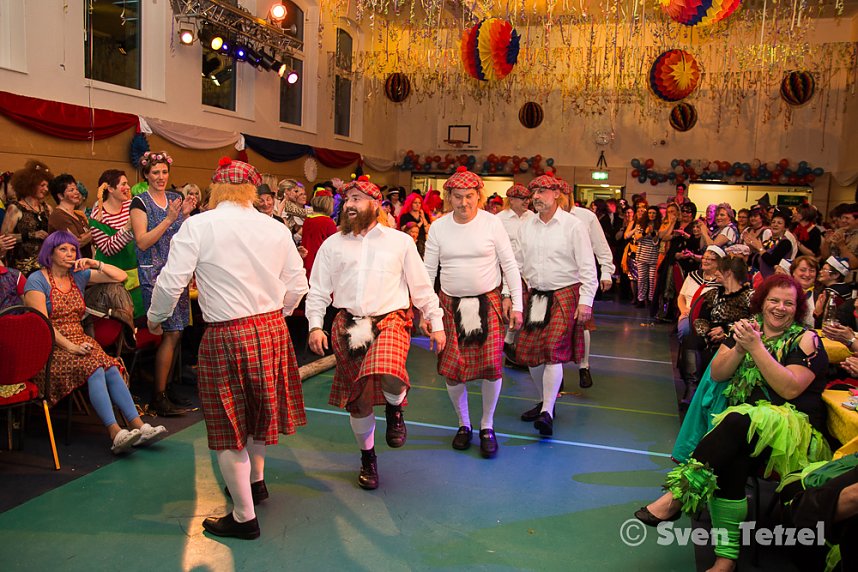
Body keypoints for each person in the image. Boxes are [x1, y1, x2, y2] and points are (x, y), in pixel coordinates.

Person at [147, 158, 307, 540]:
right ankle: (256, 482)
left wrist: (155, 318)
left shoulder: (199, 225)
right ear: (253, 191)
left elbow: (172, 283)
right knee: (256, 413)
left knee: (229, 426)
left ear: (216, 188)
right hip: (271, 330)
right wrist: (277, 315)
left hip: (228, 333)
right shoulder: (275, 228)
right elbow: (298, 285)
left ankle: (243, 516)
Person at [636, 274, 830, 572]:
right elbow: (717, 374)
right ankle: (726, 558)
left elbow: (789, 389)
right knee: (729, 453)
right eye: (774, 301)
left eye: (788, 303)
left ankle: (678, 495)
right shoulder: (745, 330)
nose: (780, 308)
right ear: (761, 303)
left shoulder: (806, 339)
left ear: (798, 308)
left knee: (738, 419)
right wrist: (740, 347)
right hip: (742, 434)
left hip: (792, 437)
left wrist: (756, 348)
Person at [306, 175, 445, 490]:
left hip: (391, 319)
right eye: (348, 200)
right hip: (350, 325)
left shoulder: (400, 241)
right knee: (359, 401)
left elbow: (421, 287)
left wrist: (435, 323)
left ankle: (396, 406)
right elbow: (317, 291)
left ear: (375, 205)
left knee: (388, 368)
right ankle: (368, 457)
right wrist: (315, 324)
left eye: (357, 199)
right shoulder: (332, 244)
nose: (350, 205)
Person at [24, 231, 166, 453]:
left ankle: (138, 426)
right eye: (63, 249)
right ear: (49, 253)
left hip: (80, 340)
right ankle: (114, 432)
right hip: (50, 347)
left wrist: (95, 262)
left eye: (73, 249)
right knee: (96, 367)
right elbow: (43, 325)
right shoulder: (37, 280)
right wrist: (71, 347)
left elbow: (120, 277)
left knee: (108, 365)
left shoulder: (78, 276)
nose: (70, 254)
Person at [423, 167, 522, 458]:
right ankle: (463, 424)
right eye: (457, 197)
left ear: (478, 196)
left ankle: (487, 425)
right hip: (449, 305)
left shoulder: (492, 224)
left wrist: (516, 303)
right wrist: (428, 312)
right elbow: (428, 272)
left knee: (492, 367)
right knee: (453, 371)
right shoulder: (439, 227)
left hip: (487, 303)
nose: (464, 203)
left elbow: (510, 265)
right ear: (448, 197)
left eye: (469, 197)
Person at [514, 174, 597, 436]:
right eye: (534, 192)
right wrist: (511, 295)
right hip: (536, 296)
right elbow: (515, 263)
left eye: (542, 192)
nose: (536, 196)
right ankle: (544, 402)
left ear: (557, 194)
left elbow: (587, 266)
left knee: (552, 350)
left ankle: (548, 411)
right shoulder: (526, 225)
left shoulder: (573, 225)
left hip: (564, 294)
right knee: (531, 354)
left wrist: (586, 302)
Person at [130, 150, 197, 416]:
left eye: (164, 172)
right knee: (169, 332)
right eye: (155, 173)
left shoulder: (174, 198)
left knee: (178, 332)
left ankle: (167, 389)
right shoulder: (140, 202)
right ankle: (158, 396)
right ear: (146, 175)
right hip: (154, 276)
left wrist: (186, 217)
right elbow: (142, 241)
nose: (160, 177)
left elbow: (179, 236)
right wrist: (170, 219)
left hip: (175, 271)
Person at [89, 170, 143, 318]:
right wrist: (127, 228)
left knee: (139, 316)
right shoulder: (98, 215)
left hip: (135, 274)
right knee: (119, 317)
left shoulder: (132, 206)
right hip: (110, 277)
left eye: (128, 183)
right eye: (123, 184)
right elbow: (107, 249)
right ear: (110, 189)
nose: (128, 187)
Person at [1, 161, 53, 275]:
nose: (46, 189)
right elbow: (4, 238)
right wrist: (31, 235)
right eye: (42, 185)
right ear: (31, 185)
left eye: (47, 186)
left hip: (45, 265)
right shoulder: (15, 208)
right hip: (21, 267)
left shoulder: (47, 208)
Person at [47, 174, 93, 258]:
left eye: (76, 189)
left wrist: (88, 235)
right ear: (60, 196)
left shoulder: (79, 215)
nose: (77, 192)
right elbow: (77, 242)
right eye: (71, 190)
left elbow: (87, 238)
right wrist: (94, 230)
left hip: (84, 263)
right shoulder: (59, 216)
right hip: (69, 265)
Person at [745, 207, 797, 277]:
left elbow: (772, 261)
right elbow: (755, 260)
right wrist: (751, 248)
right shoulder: (767, 241)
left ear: (785, 227)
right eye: (773, 222)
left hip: (773, 279)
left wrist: (760, 248)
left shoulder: (785, 243)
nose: (775, 225)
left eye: (779, 223)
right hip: (758, 277)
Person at [301, 188, 337, 279]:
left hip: (306, 259)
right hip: (320, 262)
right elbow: (333, 245)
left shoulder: (308, 220)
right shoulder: (328, 222)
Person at [635, 205, 662, 308]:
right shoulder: (640, 225)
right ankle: (640, 299)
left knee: (651, 280)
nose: (651, 215)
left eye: (654, 213)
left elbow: (656, 242)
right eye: (650, 213)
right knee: (641, 279)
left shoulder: (660, 226)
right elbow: (637, 239)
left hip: (653, 256)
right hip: (642, 256)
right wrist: (645, 233)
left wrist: (654, 233)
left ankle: (651, 300)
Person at [397, 191, 430, 256]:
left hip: (422, 242)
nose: (418, 205)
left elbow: (427, 230)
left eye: (419, 203)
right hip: (409, 243)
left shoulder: (424, 215)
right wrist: (420, 223)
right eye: (415, 203)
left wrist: (423, 218)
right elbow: (405, 229)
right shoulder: (405, 216)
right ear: (410, 203)